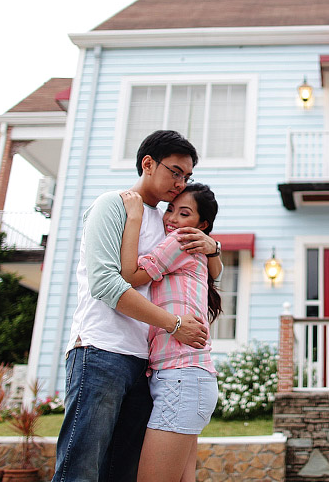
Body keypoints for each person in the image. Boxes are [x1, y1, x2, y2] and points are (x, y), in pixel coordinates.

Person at [52, 130, 220, 482]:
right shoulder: (112, 204)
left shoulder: (166, 220)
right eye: (175, 171)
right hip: (101, 351)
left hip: (145, 364)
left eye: (186, 176)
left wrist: (214, 247)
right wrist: (175, 324)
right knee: (80, 469)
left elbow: (199, 267)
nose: (180, 182)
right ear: (148, 163)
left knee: (122, 472)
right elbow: (107, 283)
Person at [119, 184, 222, 482]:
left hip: (182, 379)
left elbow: (128, 276)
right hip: (187, 379)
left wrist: (134, 218)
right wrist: (214, 246)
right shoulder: (194, 246)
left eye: (184, 213)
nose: (172, 219)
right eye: (171, 210)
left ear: (201, 225)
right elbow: (218, 271)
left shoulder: (179, 241)